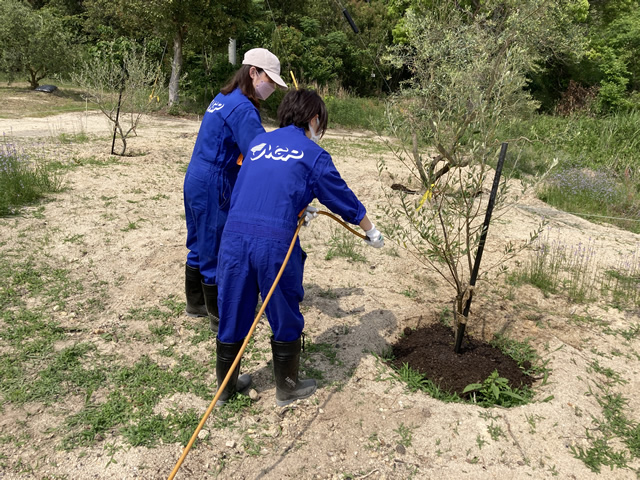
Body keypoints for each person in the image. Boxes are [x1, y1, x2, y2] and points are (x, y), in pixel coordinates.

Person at [214, 88, 384, 406]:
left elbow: (252, 190)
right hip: (274, 244)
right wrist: (370, 230)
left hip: (234, 239)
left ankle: (225, 389)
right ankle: (288, 386)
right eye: (322, 124)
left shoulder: (259, 144)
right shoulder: (312, 153)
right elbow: (341, 197)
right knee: (283, 310)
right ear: (315, 119)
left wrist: (296, 207)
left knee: (234, 307)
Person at [183, 48, 287, 332]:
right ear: (253, 72)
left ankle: (196, 304)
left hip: (196, 175)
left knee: (198, 242)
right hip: (215, 181)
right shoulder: (243, 108)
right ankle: (221, 319)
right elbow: (261, 155)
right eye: (271, 81)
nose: (273, 89)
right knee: (214, 248)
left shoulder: (223, 97)